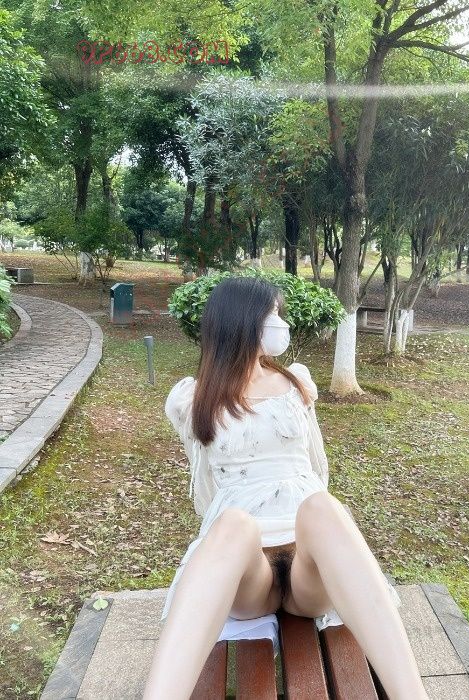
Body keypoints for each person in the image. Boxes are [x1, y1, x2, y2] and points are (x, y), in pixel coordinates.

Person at [143, 276, 428, 699]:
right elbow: (203, 482)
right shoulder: (194, 396)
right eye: (272, 315)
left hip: (306, 570)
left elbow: (315, 464)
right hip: (250, 575)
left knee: (322, 506)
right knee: (232, 523)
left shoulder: (295, 382)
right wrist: (219, 541)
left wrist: (323, 531)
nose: (280, 324)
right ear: (242, 322)